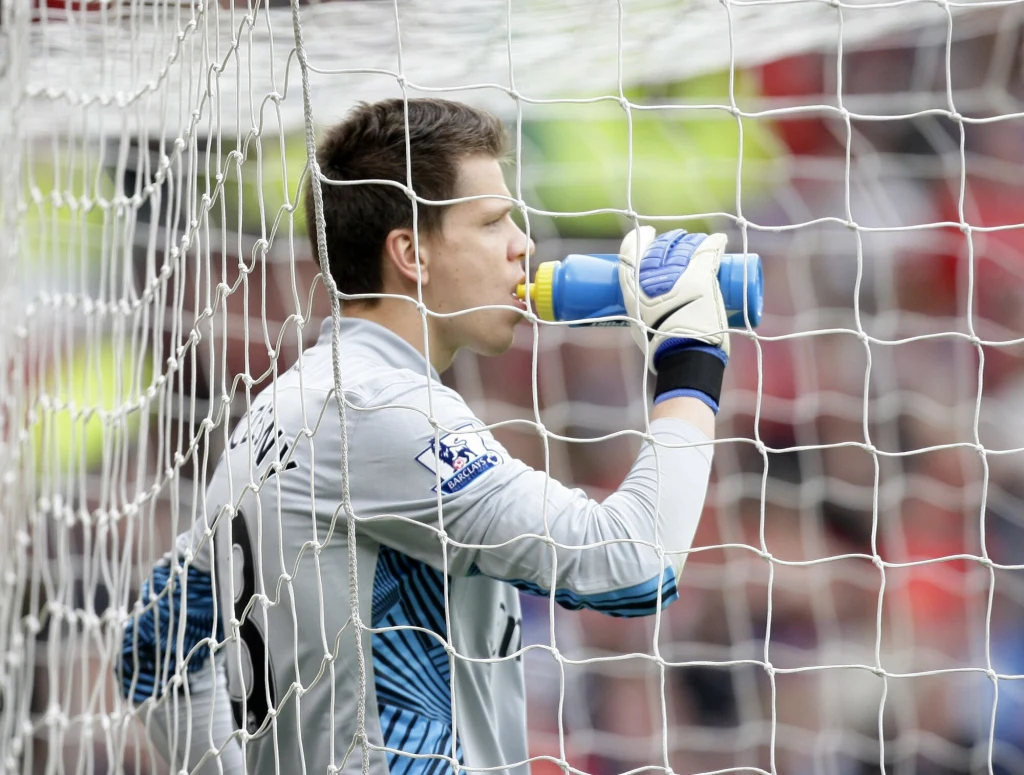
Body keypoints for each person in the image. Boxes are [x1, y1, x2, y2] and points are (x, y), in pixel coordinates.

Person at [119, 97, 733, 775]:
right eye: (494, 220)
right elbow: (634, 563)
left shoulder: (280, 409)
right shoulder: (376, 408)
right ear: (410, 252)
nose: (522, 243)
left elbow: (154, 649)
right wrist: (691, 354)